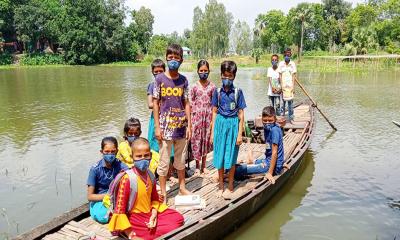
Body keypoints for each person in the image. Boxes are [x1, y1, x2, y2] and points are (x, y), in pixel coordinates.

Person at [108, 138, 184, 240]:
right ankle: (127, 232)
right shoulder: (127, 179)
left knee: (177, 218)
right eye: (138, 156)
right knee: (157, 231)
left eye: (146, 156)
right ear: (132, 157)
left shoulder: (150, 174)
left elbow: (154, 199)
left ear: (151, 156)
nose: (143, 159)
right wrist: (131, 235)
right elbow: (119, 211)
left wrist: (153, 215)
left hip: (149, 213)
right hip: (134, 217)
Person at [153, 43, 192, 201]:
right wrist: (157, 127)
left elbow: (187, 103)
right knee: (163, 162)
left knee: (181, 161)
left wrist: (189, 125)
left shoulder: (184, 80)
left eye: (176, 58)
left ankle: (182, 187)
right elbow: (155, 103)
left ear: (181, 60)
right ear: (166, 59)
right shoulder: (160, 79)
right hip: (165, 129)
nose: (173, 60)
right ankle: (163, 191)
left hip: (181, 128)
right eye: (170, 58)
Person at [210, 60, 246, 200]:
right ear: (221, 75)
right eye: (224, 76)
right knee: (219, 155)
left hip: (232, 125)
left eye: (230, 76)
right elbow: (214, 112)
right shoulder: (217, 92)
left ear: (234, 76)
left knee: (231, 156)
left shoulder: (238, 92)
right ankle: (220, 185)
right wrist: (213, 132)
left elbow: (241, 114)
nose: (227, 79)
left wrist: (239, 134)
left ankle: (230, 184)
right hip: (220, 124)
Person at [234, 106, 284, 183]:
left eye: (270, 120)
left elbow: (274, 153)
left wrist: (270, 173)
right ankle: (251, 162)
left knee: (239, 170)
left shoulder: (274, 130)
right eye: (265, 120)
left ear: (274, 119)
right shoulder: (267, 128)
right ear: (262, 119)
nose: (267, 123)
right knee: (250, 162)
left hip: (271, 166)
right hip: (267, 160)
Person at [87, 137, 128, 223]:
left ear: (117, 151)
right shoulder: (95, 169)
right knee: (102, 215)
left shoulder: (121, 166)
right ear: (101, 152)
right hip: (100, 200)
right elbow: (90, 196)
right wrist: (108, 196)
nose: (110, 154)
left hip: (117, 197)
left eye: (113, 152)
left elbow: (130, 179)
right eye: (107, 152)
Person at [190, 59, 216, 176]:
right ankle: (197, 166)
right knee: (196, 141)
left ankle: (204, 166)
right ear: (197, 71)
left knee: (205, 141)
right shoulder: (194, 86)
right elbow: (190, 103)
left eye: (205, 70)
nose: (203, 72)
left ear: (209, 71)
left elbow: (215, 104)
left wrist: (212, 122)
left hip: (208, 118)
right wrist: (190, 122)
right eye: (201, 70)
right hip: (196, 118)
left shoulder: (213, 87)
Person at [278, 48, 297, 122]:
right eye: (286, 55)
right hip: (283, 87)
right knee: (282, 104)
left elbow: (294, 76)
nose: (287, 56)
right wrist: (281, 86)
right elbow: (279, 75)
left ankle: (291, 118)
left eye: (288, 55)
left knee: (290, 104)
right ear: (284, 55)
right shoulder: (281, 64)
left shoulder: (292, 64)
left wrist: (293, 87)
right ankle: (282, 118)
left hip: (290, 87)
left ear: (290, 55)